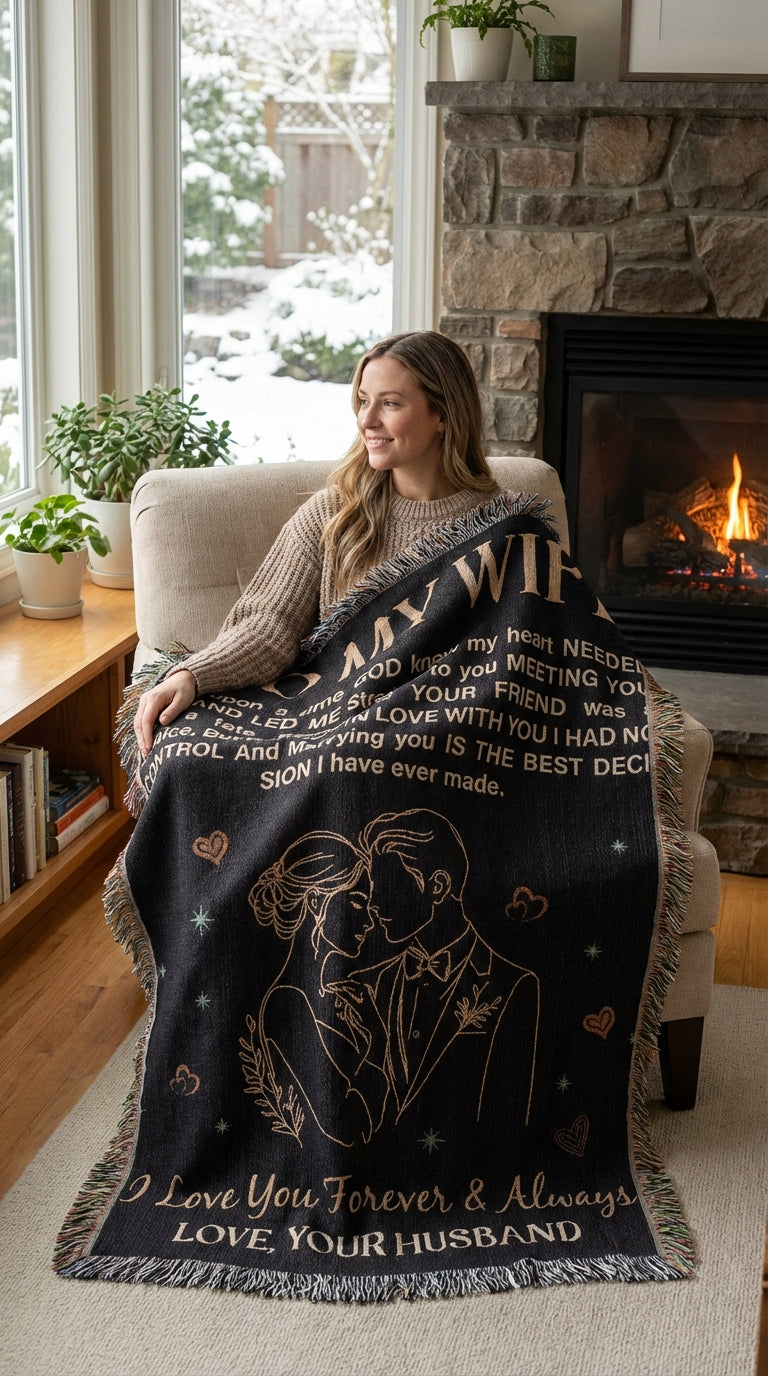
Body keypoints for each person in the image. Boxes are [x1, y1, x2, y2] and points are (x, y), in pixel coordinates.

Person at [133, 330, 501, 756]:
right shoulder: (334, 515)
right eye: (363, 401)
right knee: (188, 751)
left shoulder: (502, 526)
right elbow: (268, 626)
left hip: (453, 735)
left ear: (443, 414)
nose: (367, 420)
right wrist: (192, 675)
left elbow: (526, 649)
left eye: (390, 403)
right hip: (336, 720)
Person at [328, 809, 540, 1131]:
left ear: (437, 886)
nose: (373, 902)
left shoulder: (513, 986)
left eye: (387, 886)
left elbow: (508, 1124)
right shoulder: (364, 986)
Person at [247, 831, 389, 1146]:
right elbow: (351, 1126)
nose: (368, 921)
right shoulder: (288, 999)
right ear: (315, 901)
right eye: (357, 901)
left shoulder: (329, 995)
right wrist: (376, 1042)